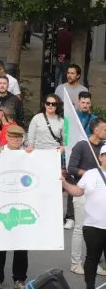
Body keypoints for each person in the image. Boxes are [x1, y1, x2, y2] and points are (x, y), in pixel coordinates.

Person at [0, 126, 32, 289]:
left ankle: (19, 278)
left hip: (21, 204)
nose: (16, 140)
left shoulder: (28, 154)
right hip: (1, 203)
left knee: (21, 244)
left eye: (19, 138)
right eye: (13, 137)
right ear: (7, 137)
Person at [61, 143, 106, 289]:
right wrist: (65, 184)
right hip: (93, 226)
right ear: (101, 157)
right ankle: (90, 286)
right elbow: (77, 191)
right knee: (92, 259)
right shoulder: (91, 174)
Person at [66, 117, 106, 276]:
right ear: (96, 130)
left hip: (99, 197)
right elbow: (71, 168)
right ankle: (75, 264)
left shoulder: (104, 147)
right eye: (104, 128)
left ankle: (94, 263)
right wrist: (91, 175)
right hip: (82, 192)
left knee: (97, 231)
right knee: (79, 228)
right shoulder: (82, 145)